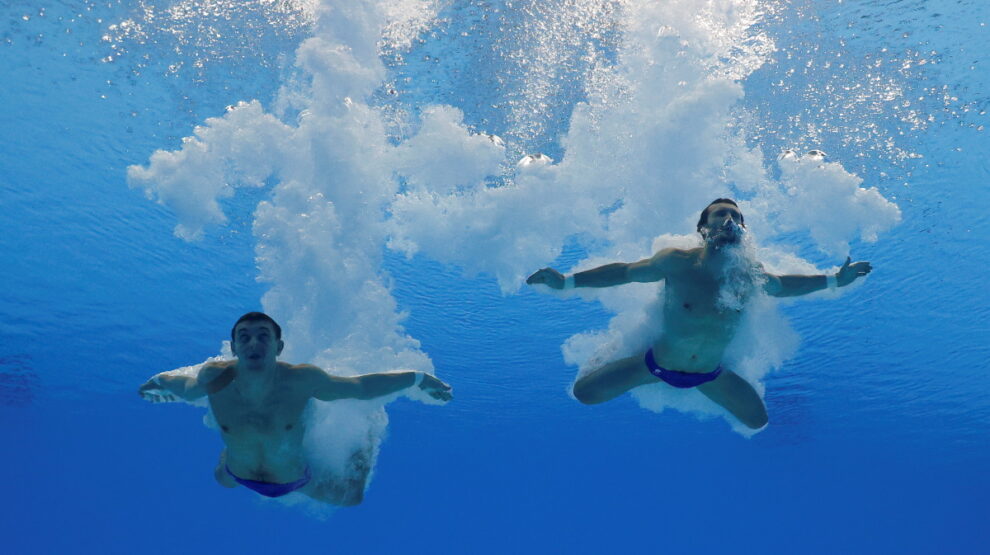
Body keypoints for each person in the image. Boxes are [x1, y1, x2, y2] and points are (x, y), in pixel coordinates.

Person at [526, 198, 872, 429]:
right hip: (654, 366)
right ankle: (618, 356)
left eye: (736, 216)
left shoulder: (747, 274)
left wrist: (833, 281)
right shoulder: (677, 262)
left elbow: (784, 285)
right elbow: (625, 271)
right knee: (585, 395)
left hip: (710, 375)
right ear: (703, 228)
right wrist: (566, 283)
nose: (730, 219)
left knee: (757, 422)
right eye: (721, 214)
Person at [138, 312, 452, 504]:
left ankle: (367, 434)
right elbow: (188, 388)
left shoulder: (300, 380)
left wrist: (417, 378)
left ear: (279, 347)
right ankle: (230, 452)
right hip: (236, 473)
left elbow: (359, 387)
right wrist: (161, 381)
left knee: (352, 497)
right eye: (244, 337)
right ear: (233, 347)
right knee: (220, 477)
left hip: (295, 480)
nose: (253, 344)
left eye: (264, 337)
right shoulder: (215, 376)